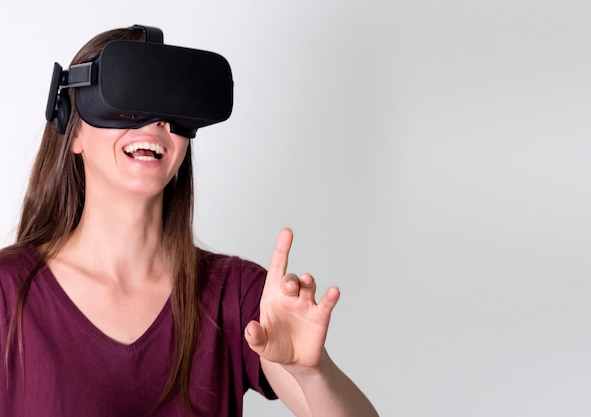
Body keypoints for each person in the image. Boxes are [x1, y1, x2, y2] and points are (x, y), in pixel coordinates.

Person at [0, 25, 379, 417]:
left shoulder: (237, 297)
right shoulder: (7, 293)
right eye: (128, 98)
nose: (155, 123)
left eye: (171, 108)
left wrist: (311, 372)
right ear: (73, 130)